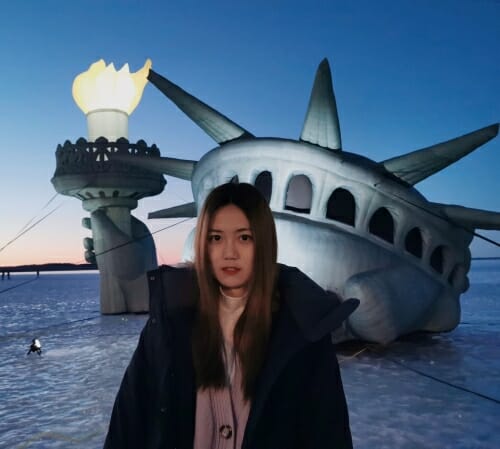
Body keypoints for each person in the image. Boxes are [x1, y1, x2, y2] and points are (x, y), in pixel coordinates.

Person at [103, 181, 358, 449]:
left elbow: (328, 433)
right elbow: (129, 420)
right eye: (216, 238)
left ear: (264, 243)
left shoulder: (304, 329)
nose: (229, 253)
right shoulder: (168, 323)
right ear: (203, 244)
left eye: (244, 237)